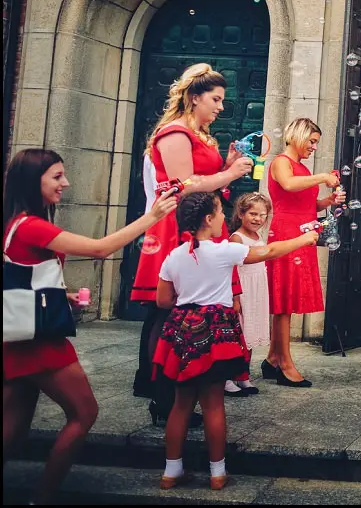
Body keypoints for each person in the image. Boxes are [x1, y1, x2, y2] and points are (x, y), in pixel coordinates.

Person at [3, 149, 177, 505]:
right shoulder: (32, 225)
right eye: (56, 176)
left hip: (21, 335)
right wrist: (152, 216)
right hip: (39, 342)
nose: (65, 183)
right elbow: (99, 249)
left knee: (13, 429)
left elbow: (22, 275)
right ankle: (42, 498)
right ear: (32, 181)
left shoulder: (16, 223)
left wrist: (60, 295)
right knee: (84, 414)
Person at [154, 192, 317, 491]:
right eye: (219, 212)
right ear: (208, 219)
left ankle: (170, 472)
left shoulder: (174, 255)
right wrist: (304, 239)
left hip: (184, 332)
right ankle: (217, 474)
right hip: (215, 332)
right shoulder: (224, 250)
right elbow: (269, 251)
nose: (222, 217)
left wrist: (191, 302)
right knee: (213, 405)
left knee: (181, 405)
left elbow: (163, 301)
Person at [131, 63, 253, 424]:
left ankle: (171, 392)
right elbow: (183, 185)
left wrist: (226, 168)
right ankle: (160, 398)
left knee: (185, 311)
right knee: (166, 310)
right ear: (194, 97)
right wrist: (229, 173)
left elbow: (205, 182)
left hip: (198, 224)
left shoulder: (198, 135)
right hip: (176, 227)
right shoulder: (174, 133)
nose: (221, 107)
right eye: (215, 99)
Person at [265, 118, 345, 388]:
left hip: (302, 232)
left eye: (316, 143)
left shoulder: (302, 167)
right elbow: (288, 185)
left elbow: (307, 203)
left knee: (287, 301)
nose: (314, 147)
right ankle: (285, 364)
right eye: (311, 141)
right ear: (298, 136)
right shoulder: (281, 162)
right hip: (287, 233)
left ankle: (272, 358)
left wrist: (328, 201)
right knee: (284, 303)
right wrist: (322, 177)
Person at [225, 192, 273, 397]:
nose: (258, 219)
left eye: (262, 215)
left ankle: (243, 375)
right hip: (243, 289)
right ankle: (227, 377)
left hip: (256, 290)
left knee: (250, 334)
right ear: (241, 213)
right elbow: (232, 270)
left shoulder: (258, 236)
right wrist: (236, 297)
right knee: (239, 334)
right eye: (253, 214)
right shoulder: (237, 238)